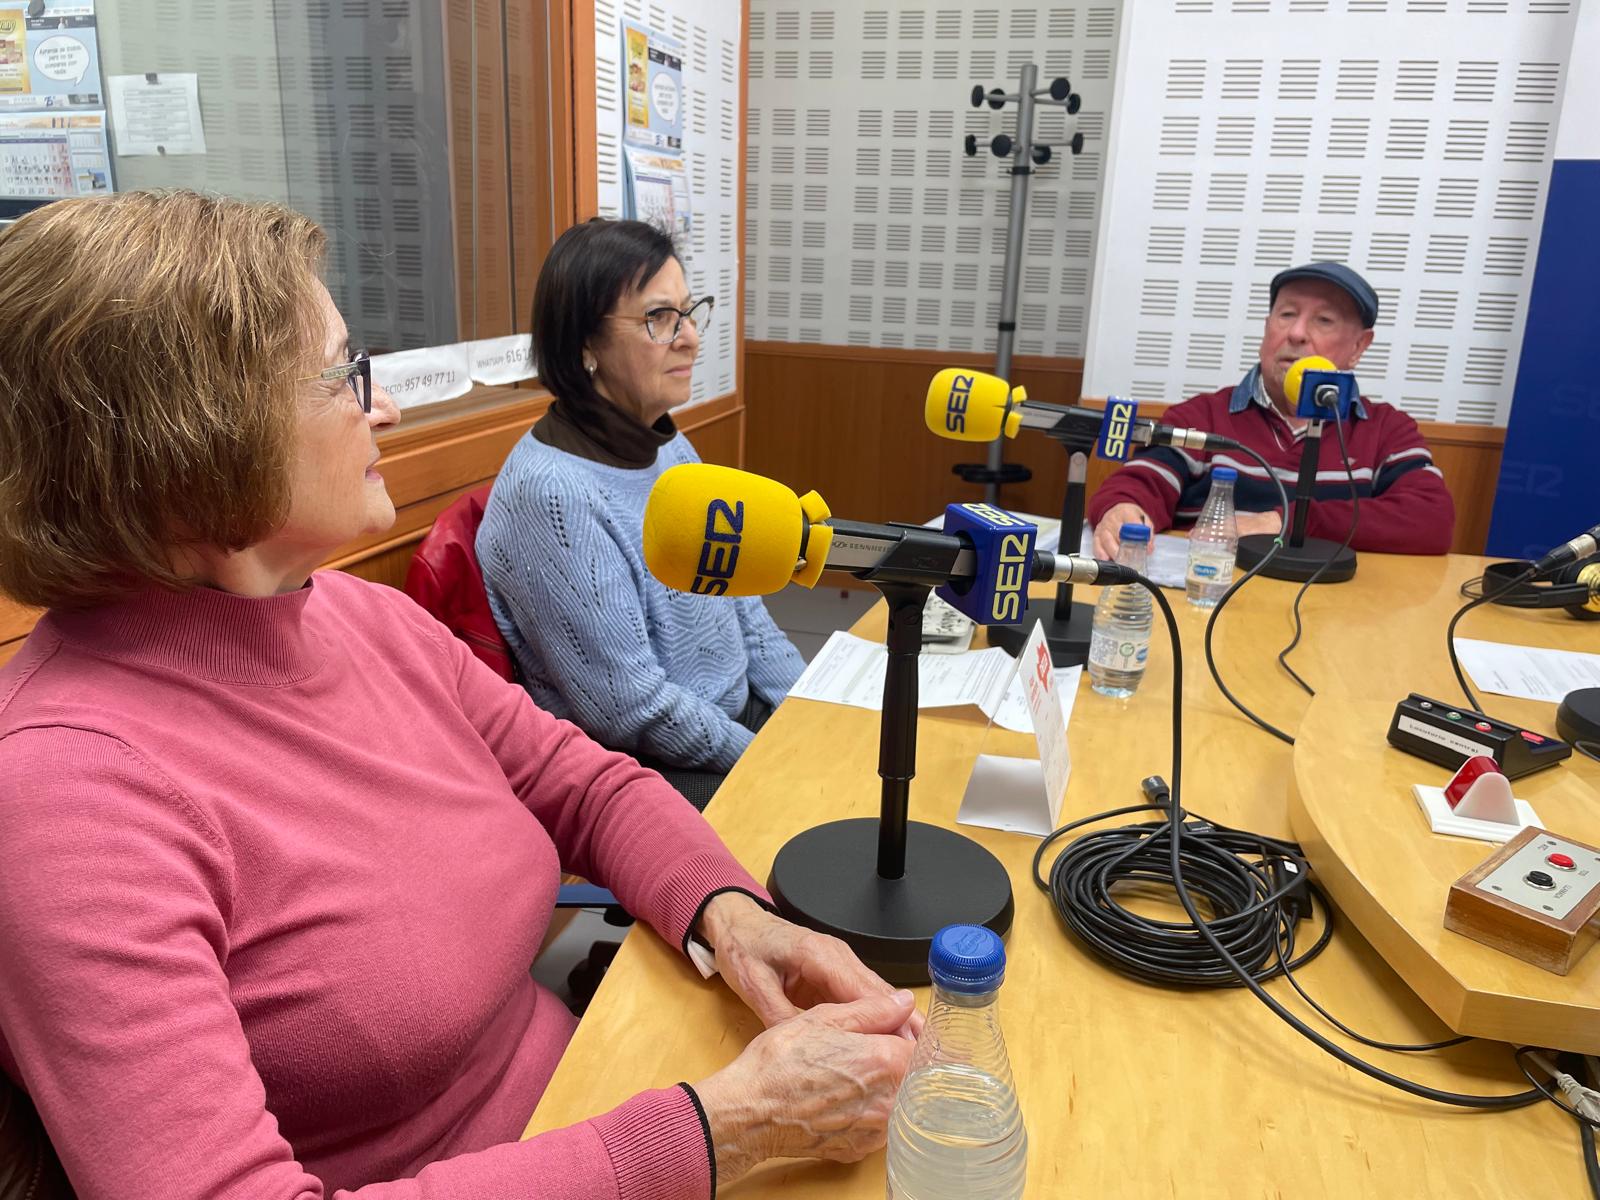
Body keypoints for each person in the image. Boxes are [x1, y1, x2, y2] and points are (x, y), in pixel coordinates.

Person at [0, 190, 916, 1200]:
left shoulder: (355, 616)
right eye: (344, 374)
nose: (382, 405)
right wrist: (723, 1133)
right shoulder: (65, 794)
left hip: (599, 1095)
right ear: (192, 438)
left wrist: (732, 914)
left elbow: (585, 785)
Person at [478, 219, 806, 792]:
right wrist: (767, 762)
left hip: (736, 723)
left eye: (687, 312)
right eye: (659, 319)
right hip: (648, 769)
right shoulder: (551, 495)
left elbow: (746, 611)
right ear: (585, 346)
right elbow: (631, 708)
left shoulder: (669, 445)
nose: (690, 338)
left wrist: (804, 716)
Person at [1090, 262, 1456, 559]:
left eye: (1323, 320)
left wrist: (1283, 522)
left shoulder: (1386, 430)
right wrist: (1122, 508)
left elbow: (1431, 520)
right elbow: (1141, 483)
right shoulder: (1203, 416)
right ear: (1267, 328)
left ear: (1359, 345)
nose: (1296, 333)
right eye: (1286, 314)